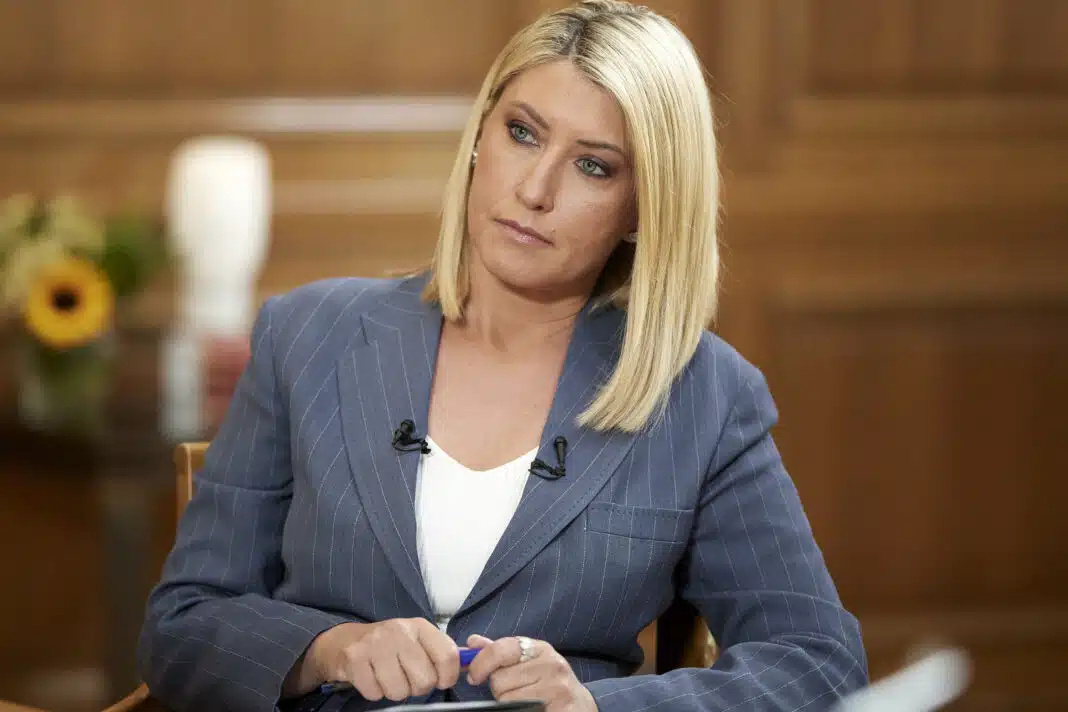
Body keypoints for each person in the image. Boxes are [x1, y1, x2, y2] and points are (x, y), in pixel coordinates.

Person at [137, 2, 868, 711]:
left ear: (645, 207)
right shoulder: (307, 335)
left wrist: (594, 707)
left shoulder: (703, 396)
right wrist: (329, 649)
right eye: (522, 133)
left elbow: (818, 661)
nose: (534, 189)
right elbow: (182, 624)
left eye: (593, 166)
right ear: (480, 135)